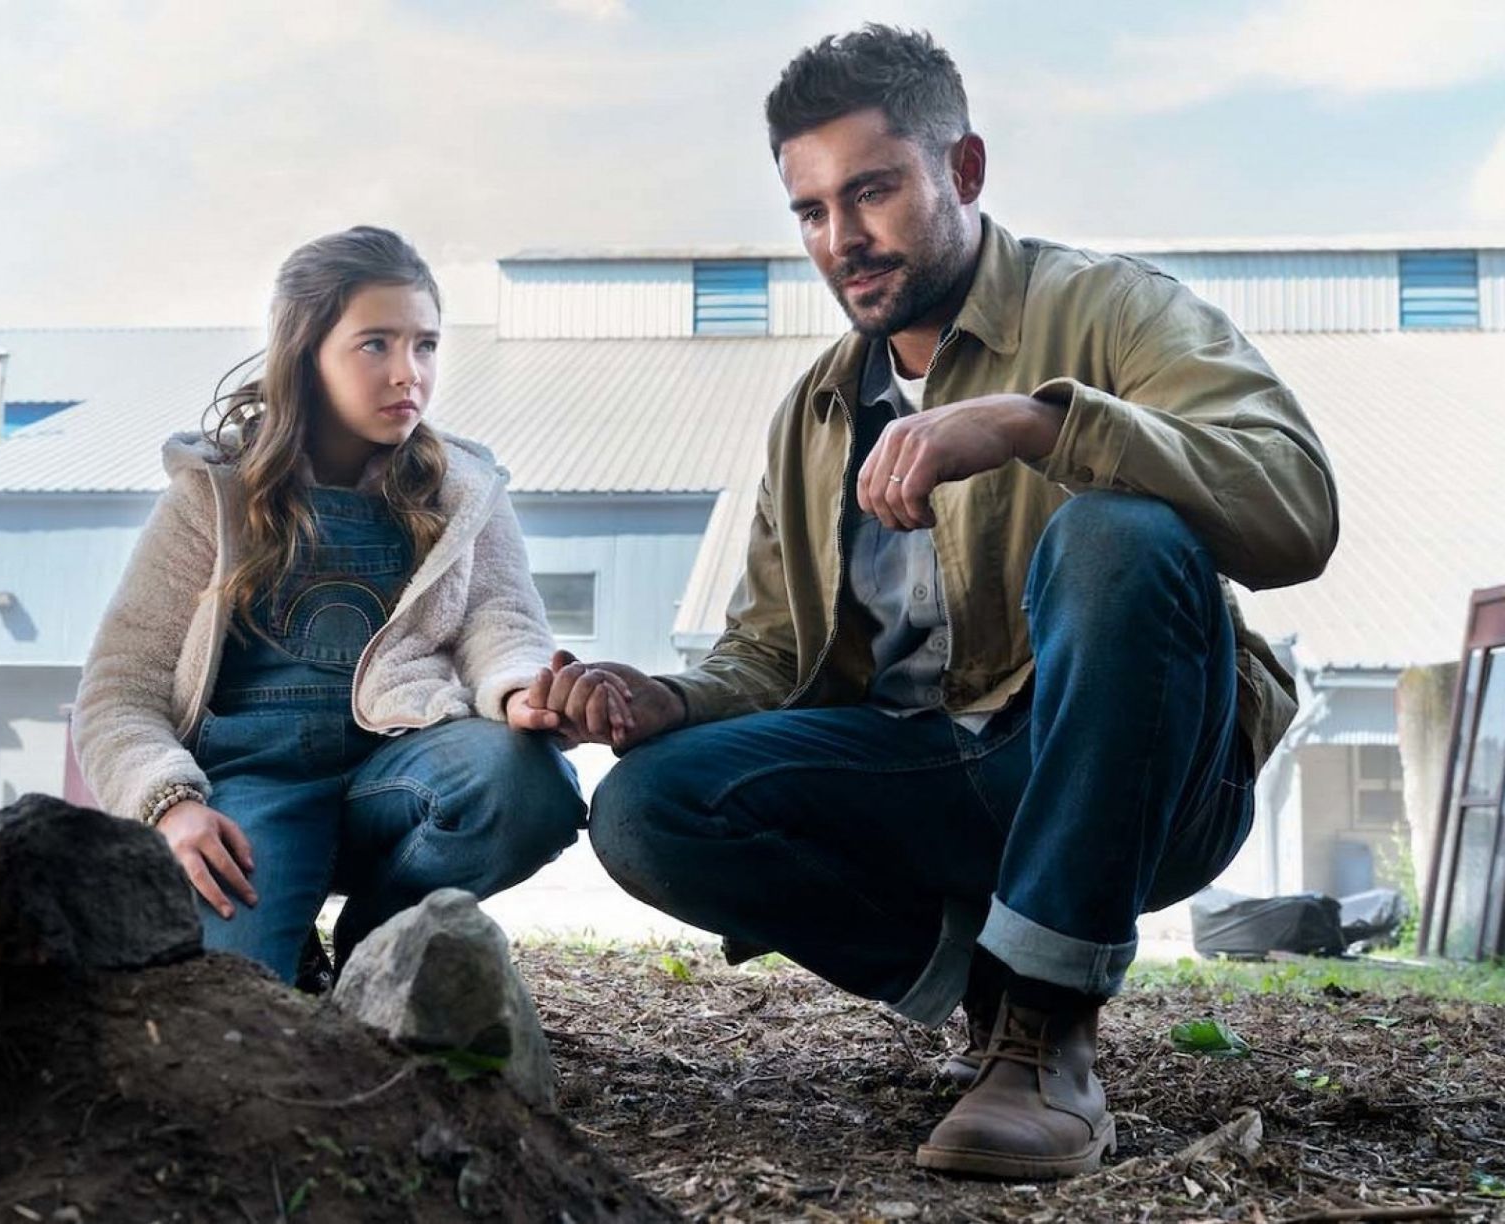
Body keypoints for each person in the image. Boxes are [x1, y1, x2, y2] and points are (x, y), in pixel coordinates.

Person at [525, 26, 1337, 1180]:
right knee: (649, 809)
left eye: (872, 191)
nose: (841, 240)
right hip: (926, 775)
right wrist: (669, 699)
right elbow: (772, 651)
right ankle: (989, 987)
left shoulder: (1112, 309)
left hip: (1135, 772)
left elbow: (1298, 506)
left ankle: (1047, 1035)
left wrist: (1038, 424)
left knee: (1118, 534)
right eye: (811, 211)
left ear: (964, 170)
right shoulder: (817, 412)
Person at [74, 226, 610, 987]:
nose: (408, 373)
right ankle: (284, 940)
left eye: (425, 345)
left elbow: (503, 625)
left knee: (531, 785)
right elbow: (119, 690)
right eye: (375, 344)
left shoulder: (464, 491)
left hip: (401, 766)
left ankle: (378, 949)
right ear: (305, 354)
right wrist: (169, 804)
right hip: (251, 788)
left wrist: (521, 691)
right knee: (240, 1000)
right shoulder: (212, 494)